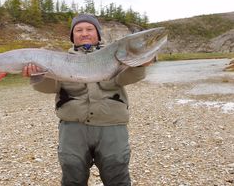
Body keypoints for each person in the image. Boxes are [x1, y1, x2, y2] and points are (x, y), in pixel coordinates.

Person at [23, 13, 148, 186]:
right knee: (72, 177)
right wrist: (36, 75)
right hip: (73, 129)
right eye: (79, 30)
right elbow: (50, 88)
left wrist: (140, 63)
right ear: (72, 36)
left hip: (111, 127)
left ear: (97, 33)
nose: (84, 33)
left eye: (89, 29)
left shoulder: (116, 55)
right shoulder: (56, 60)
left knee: (117, 177)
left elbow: (126, 78)